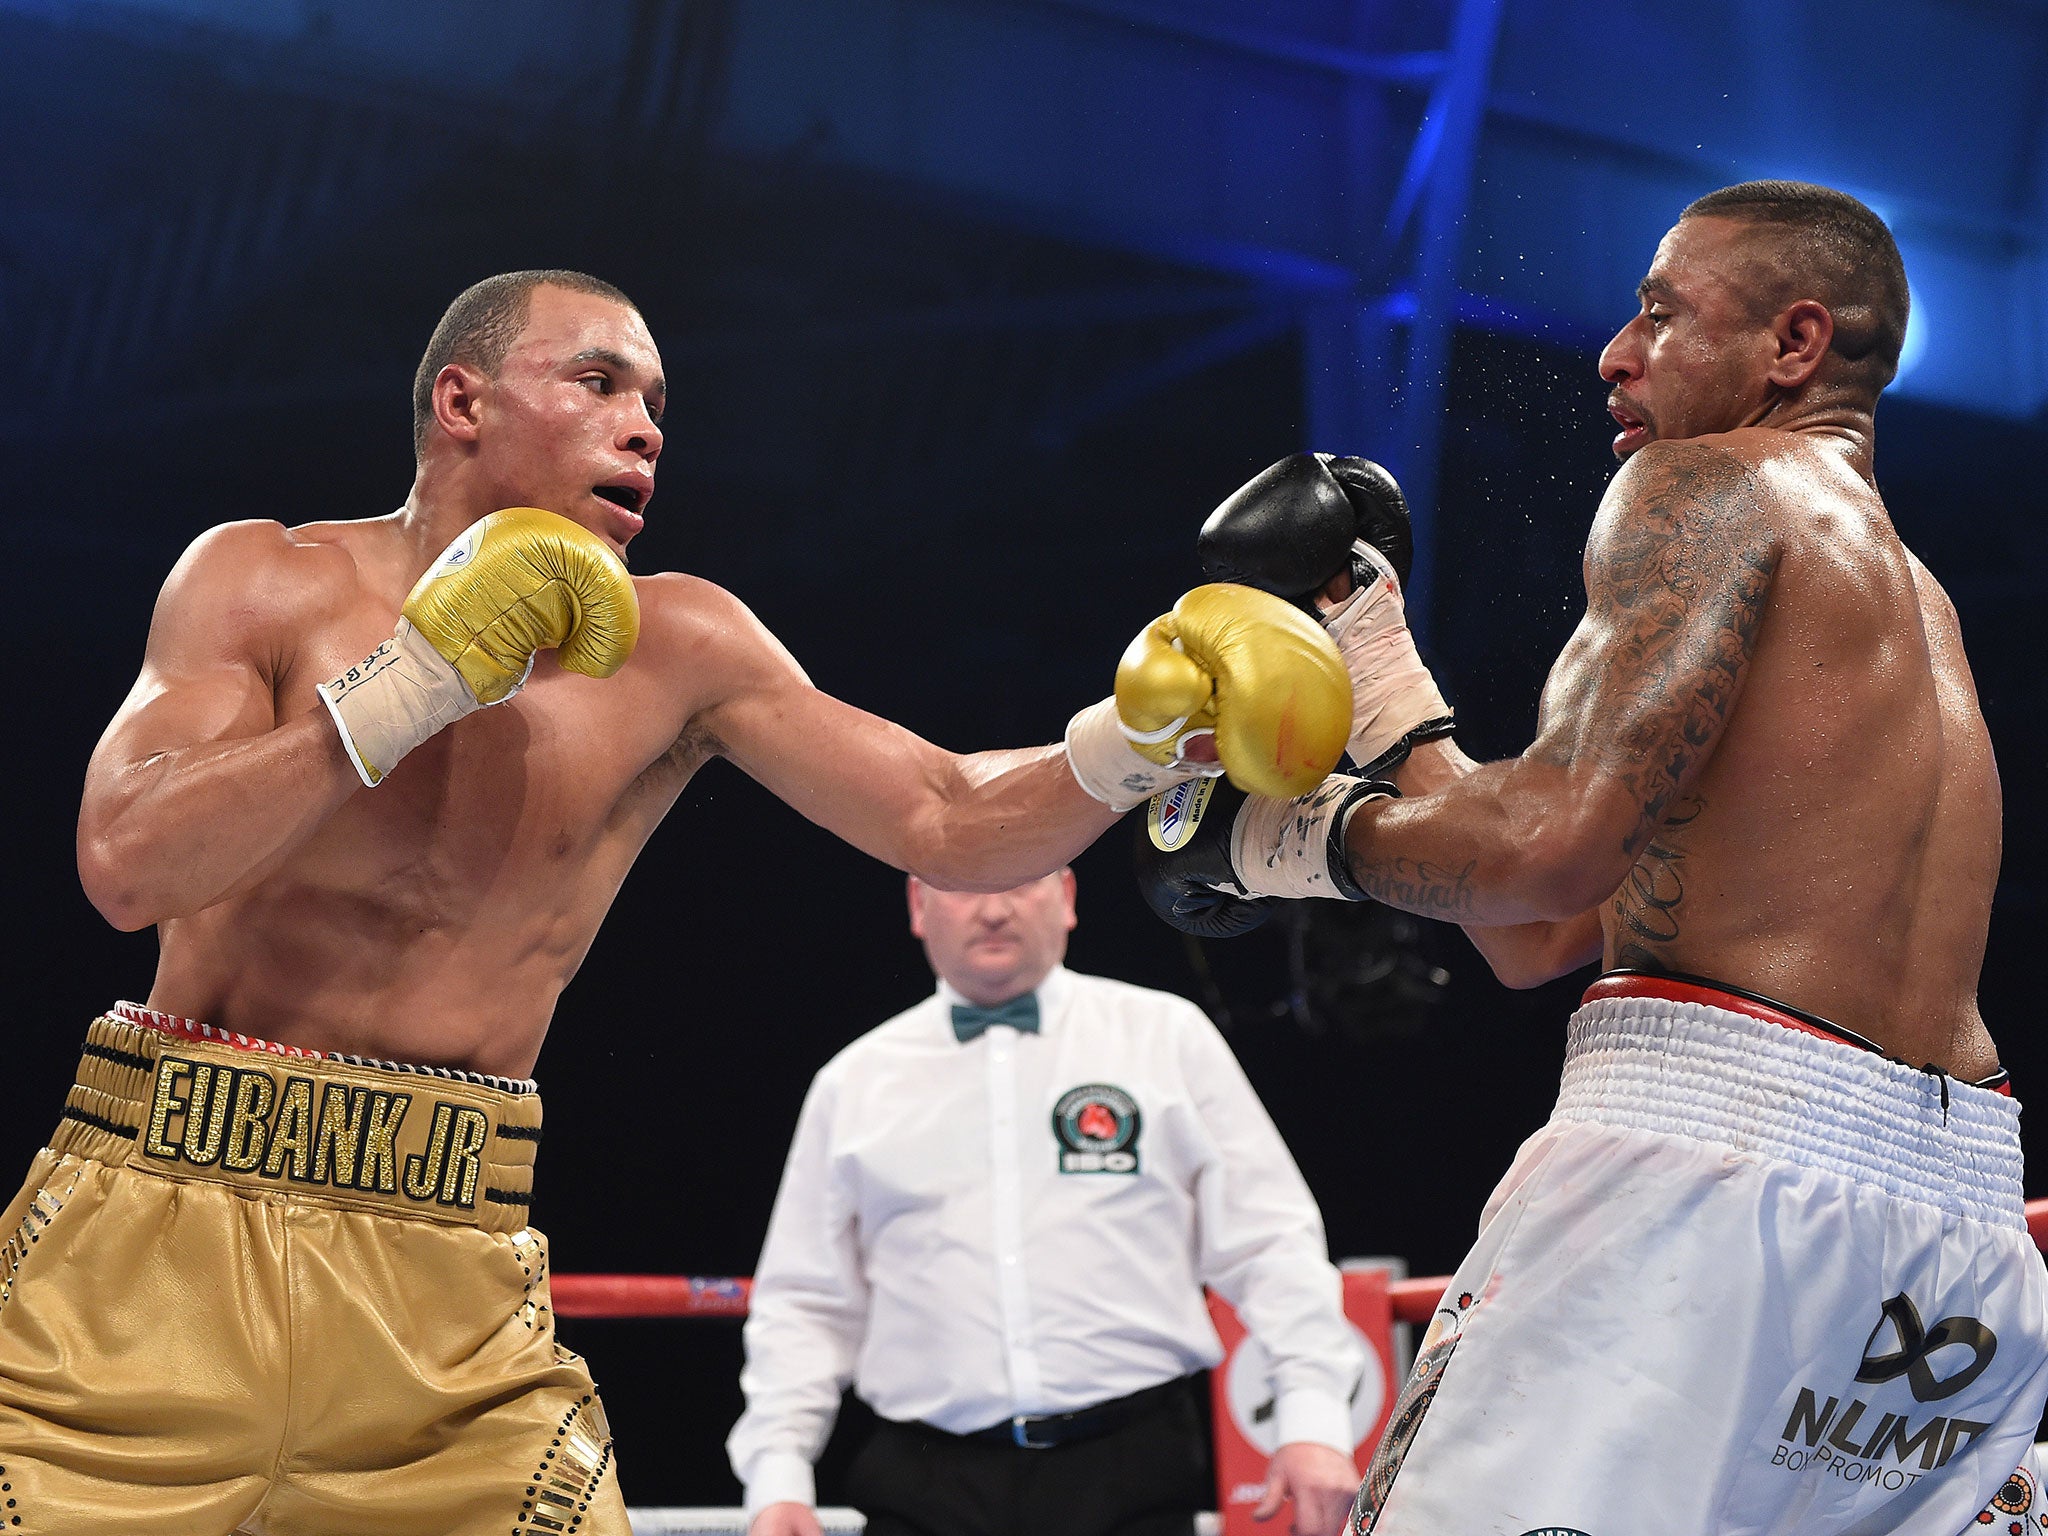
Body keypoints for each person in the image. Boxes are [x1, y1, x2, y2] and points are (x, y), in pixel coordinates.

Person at [2, 268, 1353, 1535]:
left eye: (656, 404)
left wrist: (1133, 742)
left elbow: (947, 816)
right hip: (154, 1241)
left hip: (449, 1285)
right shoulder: (266, 579)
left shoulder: (680, 645)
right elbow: (126, 864)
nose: (643, 428)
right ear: (461, 402)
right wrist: (409, 685)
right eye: (597, 384)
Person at [1137, 183, 2048, 1535]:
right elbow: (1541, 929)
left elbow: (1547, 853)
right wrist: (1377, 663)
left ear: (1794, 343)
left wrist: (1282, 841)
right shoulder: (1918, 607)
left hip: (1703, 1177)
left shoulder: (1704, 482)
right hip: (1953, 1257)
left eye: (1663, 312)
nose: (1619, 351)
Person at [729, 868, 1365, 1536]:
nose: (995, 909)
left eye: (1021, 881)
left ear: (1066, 897)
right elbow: (804, 1299)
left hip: (1131, 1468)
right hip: (922, 1480)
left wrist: (1315, 1420)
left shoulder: (1165, 1037)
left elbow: (1271, 1243)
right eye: (966, 883)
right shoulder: (854, 1082)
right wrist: (777, 1475)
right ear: (918, 905)